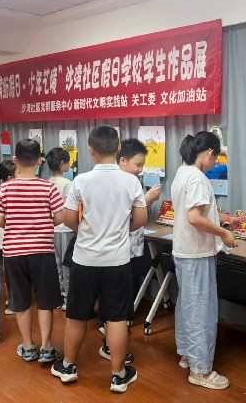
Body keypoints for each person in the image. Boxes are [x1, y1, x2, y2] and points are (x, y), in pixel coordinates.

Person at [51, 125, 147, 393]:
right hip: (117, 261)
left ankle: (68, 367)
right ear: (118, 149)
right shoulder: (131, 181)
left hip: (84, 259)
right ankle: (118, 375)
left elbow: (69, 218)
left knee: (77, 315)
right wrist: (119, 230)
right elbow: (140, 219)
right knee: (116, 318)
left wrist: (87, 231)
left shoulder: (81, 180)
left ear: (90, 151)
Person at [171, 131, 237, 390]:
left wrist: (222, 222)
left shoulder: (182, 172)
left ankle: (188, 355)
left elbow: (193, 213)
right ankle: (200, 371)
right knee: (201, 311)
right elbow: (195, 218)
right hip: (196, 253)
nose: (215, 162)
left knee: (188, 306)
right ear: (210, 153)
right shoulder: (198, 178)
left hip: (184, 251)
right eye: (216, 157)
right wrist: (224, 233)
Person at [0, 139, 65, 363]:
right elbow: (59, 218)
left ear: (15, 160)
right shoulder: (48, 187)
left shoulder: (5, 188)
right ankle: (47, 347)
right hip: (42, 251)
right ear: (40, 161)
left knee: (21, 301)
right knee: (45, 300)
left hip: (13, 253)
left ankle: (27, 346)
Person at [96, 139, 162, 364]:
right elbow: (125, 217)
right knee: (115, 300)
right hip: (116, 252)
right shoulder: (116, 183)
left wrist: (146, 202)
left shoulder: (132, 182)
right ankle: (110, 342)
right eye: (138, 165)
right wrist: (147, 199)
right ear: (122, 161)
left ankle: (115, 334)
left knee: (123, 294)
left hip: (128, 250)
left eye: (142, 165)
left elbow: (136, 215)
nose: (140, 170)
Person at [45, 147, 73, 309]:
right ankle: (68, 298)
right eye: (68, 162)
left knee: (55, 265)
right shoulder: (68, 184)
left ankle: (57, 297)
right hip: (65, 229)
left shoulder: (46, 183)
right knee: (66, 264)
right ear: (62, 163)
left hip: (50, 229)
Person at [0, 160, 17, 316]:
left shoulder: (2, 189)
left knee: (12, 273)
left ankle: (15, 299)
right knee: (11, 274)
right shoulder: (3, 191)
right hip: (9, 240)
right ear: (10, 177)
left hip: (10, 239)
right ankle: (12, 300)